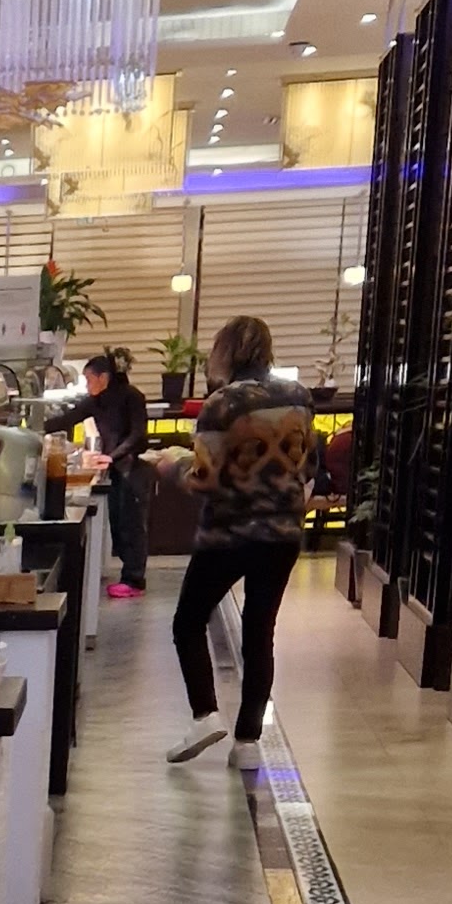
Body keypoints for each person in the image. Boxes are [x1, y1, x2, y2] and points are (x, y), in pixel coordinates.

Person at [168, 313, 311, 767]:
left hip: (229, 533)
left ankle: (205, 714)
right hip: (283, 533)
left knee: (188, 621)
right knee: (259, 631)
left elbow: (205, 478)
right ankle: (248, 743)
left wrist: (170, 466)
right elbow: (304, 465)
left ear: (225, 351)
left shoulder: (222, 404)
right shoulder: (299, 397)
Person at [79, 346, 148, 596]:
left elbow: (138, 434)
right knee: (118, 525)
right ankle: (129, 577)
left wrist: (112, 455)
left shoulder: (132, 396)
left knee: (131, 525)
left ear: (103, 377)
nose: (87, 385)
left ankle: (135, 580)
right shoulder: (96, 401)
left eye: (89, 379)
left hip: (131, 468)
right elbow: (68, 417)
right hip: (114, 469)